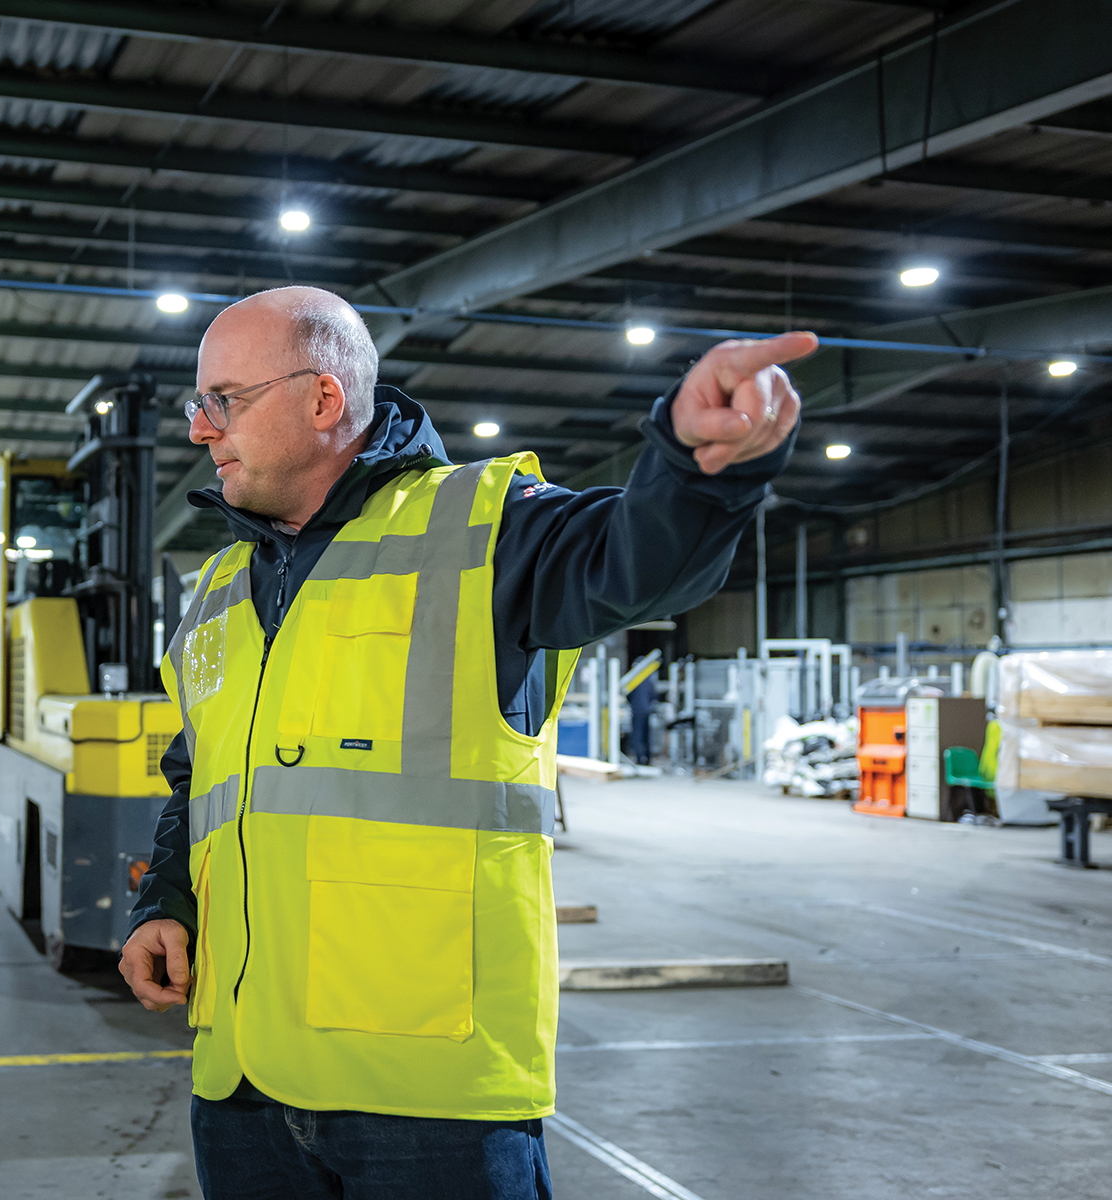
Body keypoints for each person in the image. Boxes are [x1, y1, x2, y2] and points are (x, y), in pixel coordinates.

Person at [120, 286, 811, 1199]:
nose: (202, 430)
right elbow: (201, 777)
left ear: (323, 401)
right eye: (197, 406)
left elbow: (637, 561)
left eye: (225, 401)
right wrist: (166, 900)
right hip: (242, 1081)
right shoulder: (218, 586)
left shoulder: (484, 531)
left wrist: (694, 468)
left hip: (426, 1097)